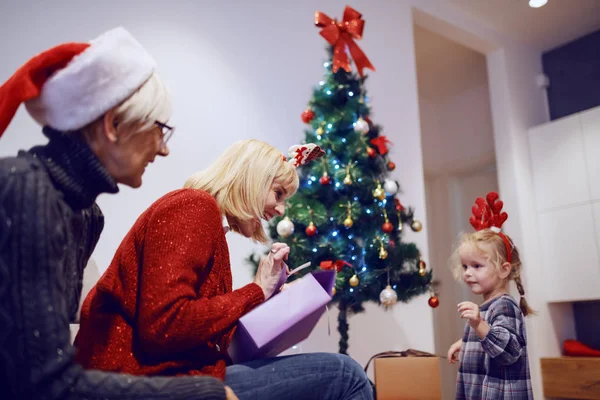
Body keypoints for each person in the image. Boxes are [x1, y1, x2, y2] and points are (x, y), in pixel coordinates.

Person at [0, 27, 234, 400]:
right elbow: (42, 386)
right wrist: (202, 394)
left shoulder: (85, 212)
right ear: (113, 125)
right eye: (160, 130)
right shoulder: (28, 191)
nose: (164, 150)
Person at [75, 140, 374, 400]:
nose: (281, 210)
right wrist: (255, 291)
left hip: (171, 373)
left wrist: (270, 301)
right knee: (346, 375)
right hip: (139, 381)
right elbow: (164, 325)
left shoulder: (209, 224)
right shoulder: (193, 207)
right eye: (279, 194)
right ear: (253, 180)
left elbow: (205, 334)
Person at [447, 192, 534, 400]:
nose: (468, 272)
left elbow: (509, 351)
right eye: (465, 266)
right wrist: (467, 342)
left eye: (477, 266)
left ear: (503, 270)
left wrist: (478, 324)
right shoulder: (488, 306)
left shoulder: (504, 305)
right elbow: (492, 335)